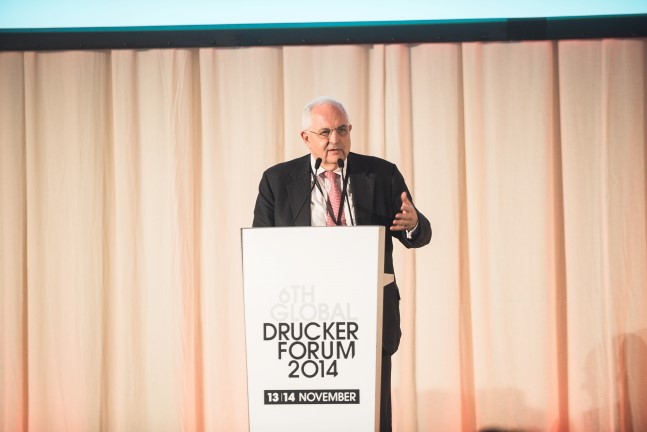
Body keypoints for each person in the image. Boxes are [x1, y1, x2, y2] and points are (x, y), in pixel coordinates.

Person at [252, 96, 432, 431]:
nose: (335, 139)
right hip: (305, 322)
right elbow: (261, 249)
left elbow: (417, 234)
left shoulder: (381, 174)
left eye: (342, 130)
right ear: (306, 137)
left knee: (371, 415)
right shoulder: (277, 181)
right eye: (325, 133)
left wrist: (415, 223)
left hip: (369, 313)